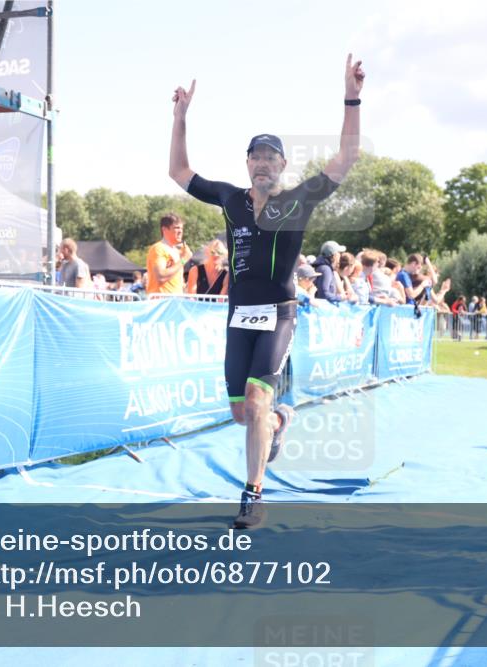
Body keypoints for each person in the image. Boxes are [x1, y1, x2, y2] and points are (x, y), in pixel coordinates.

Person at [168, 54, 364, 528]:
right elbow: (178, 172)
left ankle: (253, 495)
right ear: (248, 163)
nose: (262, 164)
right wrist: (180, 118)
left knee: (257, 401)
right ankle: (279, 422)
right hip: (239, 316)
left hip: (279, 314)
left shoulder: (299, 200)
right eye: (255, 156)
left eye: (270, 158)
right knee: (243, 413)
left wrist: (351, 95)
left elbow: (347, 157)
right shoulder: (230, 199)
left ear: (282, 165)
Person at [146, 213, 192, 295]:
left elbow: (175, 282)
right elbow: (161, 277)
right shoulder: (158, 248)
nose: (180, 231)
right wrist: (184, 259)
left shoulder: (176, 251)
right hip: (162, 303)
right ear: (164, 229)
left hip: (175, 302)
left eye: (181, 228)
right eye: (176, 228)